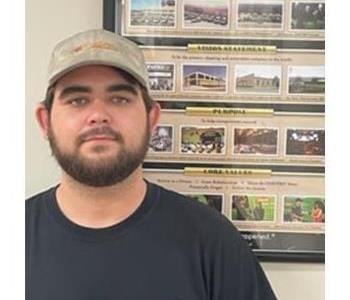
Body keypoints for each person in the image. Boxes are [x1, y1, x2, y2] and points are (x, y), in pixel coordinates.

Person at [26, 29, 277, 300]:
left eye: (119, 99)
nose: (98, 115)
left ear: (152, 118)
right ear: (45, 121)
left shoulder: (213, 242)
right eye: (77, 100)